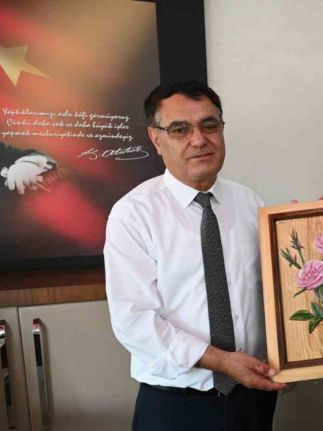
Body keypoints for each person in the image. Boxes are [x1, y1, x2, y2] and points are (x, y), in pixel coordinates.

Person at [104, 81, 285, 431]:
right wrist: (221, 362)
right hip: (176, 404)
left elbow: (279, 288)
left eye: (209, 125)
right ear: (156, 139)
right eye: (180, 129)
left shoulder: (250, 203)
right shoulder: (133, 214)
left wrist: (317, 232)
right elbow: (134, 320)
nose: (199, 140)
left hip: (252, 397)